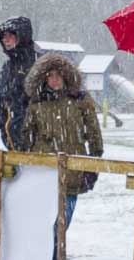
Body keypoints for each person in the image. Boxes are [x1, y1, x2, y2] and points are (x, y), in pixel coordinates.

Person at [22, 53, 103, 230]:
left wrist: (93, 166)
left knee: (61, 227)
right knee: (43, 227)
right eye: (50, 75)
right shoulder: (37, 103)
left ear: (66, 76)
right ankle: (47, 257)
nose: (54, 79)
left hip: (72, 171)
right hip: (43, 171)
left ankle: (56, 257)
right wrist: (25, 165)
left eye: (58, 74)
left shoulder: (80, 100)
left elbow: (94, 133)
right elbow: (27, 135)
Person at [0, 16, 37, 150]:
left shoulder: (38, 64)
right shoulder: (7, 67)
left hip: (36, 138)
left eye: (10, 35)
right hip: (11, 138)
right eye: (3, 36)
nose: (5, 39)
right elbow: (4, 102)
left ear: (22, 36)